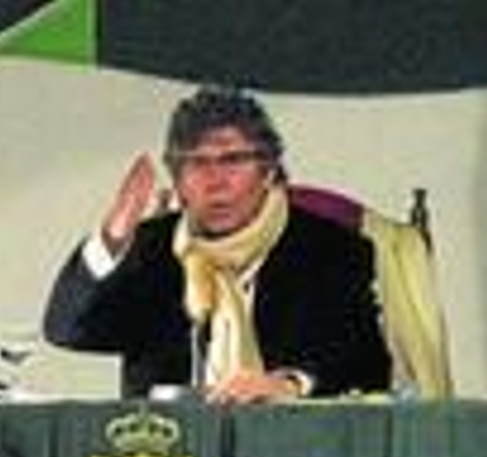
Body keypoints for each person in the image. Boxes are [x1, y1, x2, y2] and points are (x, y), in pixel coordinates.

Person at [43, 85, 391, 402]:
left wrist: (290, 384)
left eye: (233, 160)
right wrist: (112, 238)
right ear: (178, 180)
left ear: (268, 170)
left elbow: (367, 364)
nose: (215, 182)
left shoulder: (330, 249)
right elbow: (66, 330)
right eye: (196, 163)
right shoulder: (151, 248)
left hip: (293, 449)